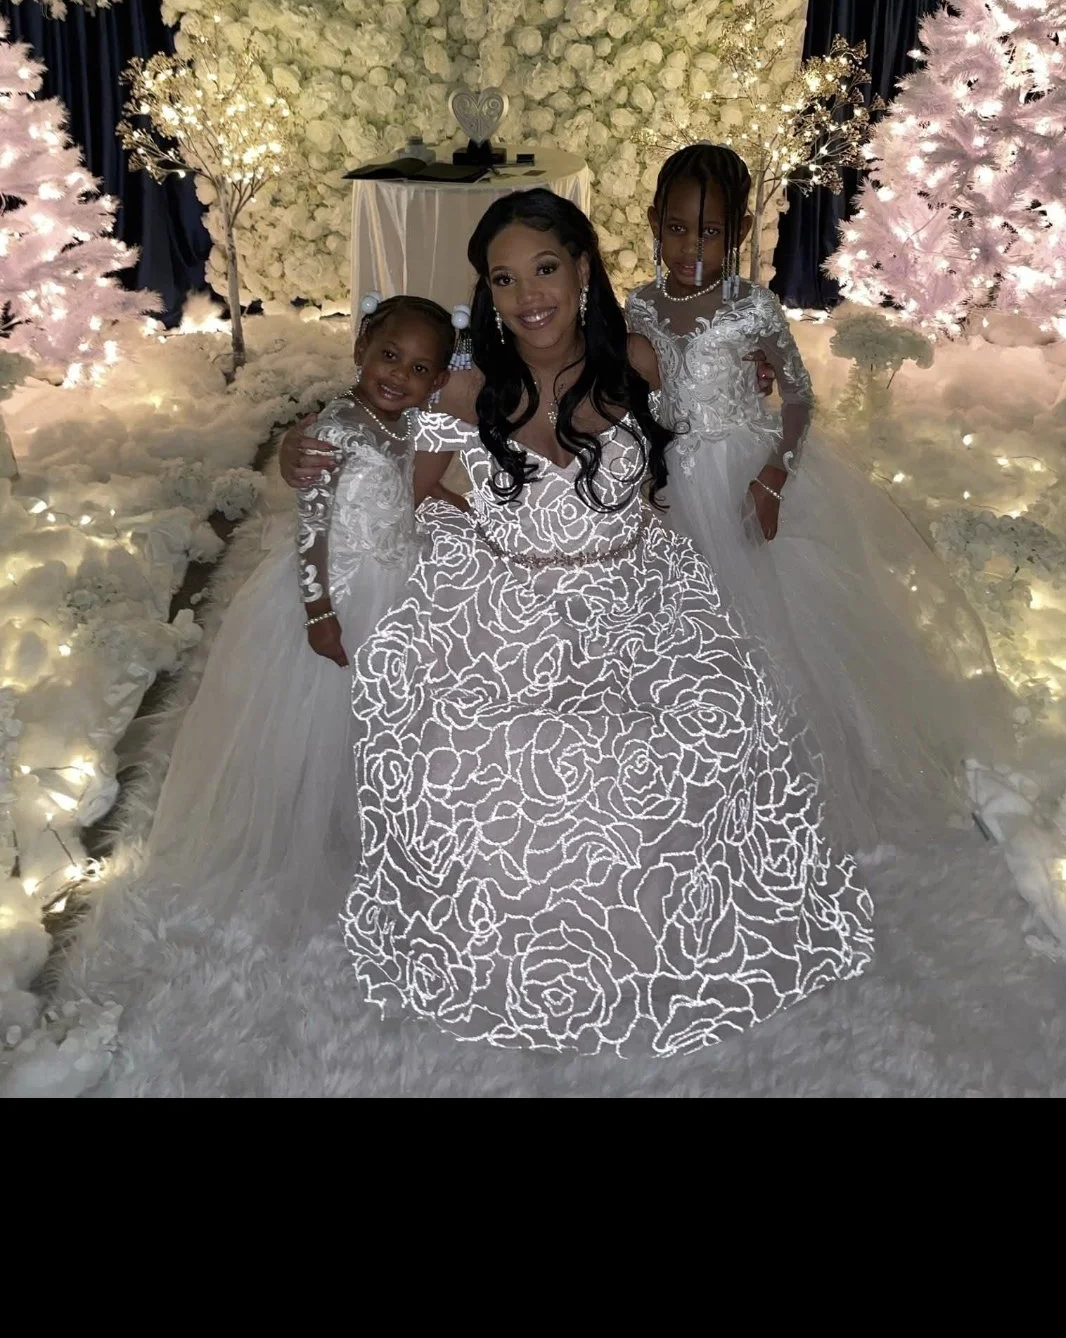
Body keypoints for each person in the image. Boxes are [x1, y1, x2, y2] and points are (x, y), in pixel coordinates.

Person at [284, 190, 873, 1055]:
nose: (529, 294)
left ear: (585, 267)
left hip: (638, 592)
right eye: (505, 278)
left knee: (717, 716)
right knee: (472, 746)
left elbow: (723, 419)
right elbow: (379, 467)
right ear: (486, 292)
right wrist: (297, 449)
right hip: (501, 599)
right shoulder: (460, 386)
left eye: (547, 268)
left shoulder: (639, 358)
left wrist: (762, 418)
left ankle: (674, 920)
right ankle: (507, 936)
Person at [626, 142, 1014, 853]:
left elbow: (799, 398)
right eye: (676, 227)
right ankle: (705, 772)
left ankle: (792, 771)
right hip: (678, 483)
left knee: (783, 625)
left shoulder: (751, 307)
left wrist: (773, 477)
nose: (689, 246)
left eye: (709, 232)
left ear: (739, 234)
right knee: (689, 634)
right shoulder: (642, 304)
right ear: (653, 220)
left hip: (748, 469)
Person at [144, 295, 457, 929]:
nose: (399, 375)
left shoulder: (399, 425)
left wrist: (452, 506)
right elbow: (311, 529)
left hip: (391, 579)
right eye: (390, 356)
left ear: (439, 381)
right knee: (318, 713)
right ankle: (299, 827)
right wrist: (318, 610)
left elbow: (400, 492)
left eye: (420, 369)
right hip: (340, 589)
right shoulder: (337, 426)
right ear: (361, 345)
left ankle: (358, 816)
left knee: (372, 716)